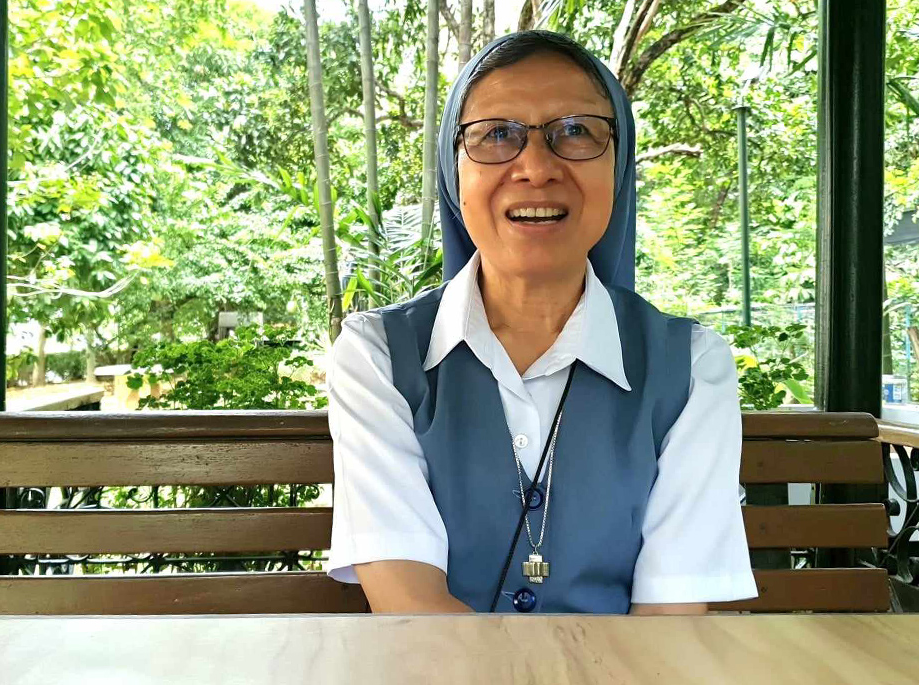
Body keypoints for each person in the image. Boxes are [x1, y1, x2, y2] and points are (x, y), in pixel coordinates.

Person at [325, 30, 758, 614]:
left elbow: (670, 626)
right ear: (454, 172)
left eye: (576, 131)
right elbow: (413, 613)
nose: (535, 167)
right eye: (496, 134)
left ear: (619, 166)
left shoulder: (689, 367)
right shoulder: (378, 356)